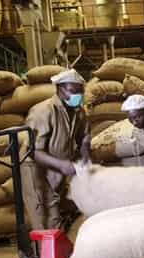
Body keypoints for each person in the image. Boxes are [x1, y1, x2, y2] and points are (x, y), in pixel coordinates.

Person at [20, 69, 90, 230]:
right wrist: (62, 165)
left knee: (56, 208)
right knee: (45, 217)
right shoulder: (43, 111)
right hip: (35, 168)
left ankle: (53, 248)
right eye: (73, 91)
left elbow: (84, 137)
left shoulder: (79, 111)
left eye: (80, 92)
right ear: (59, 89)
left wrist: (85, 154)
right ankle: (44, 252)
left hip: (58, 165)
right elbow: (33, 151)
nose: (77, 96)